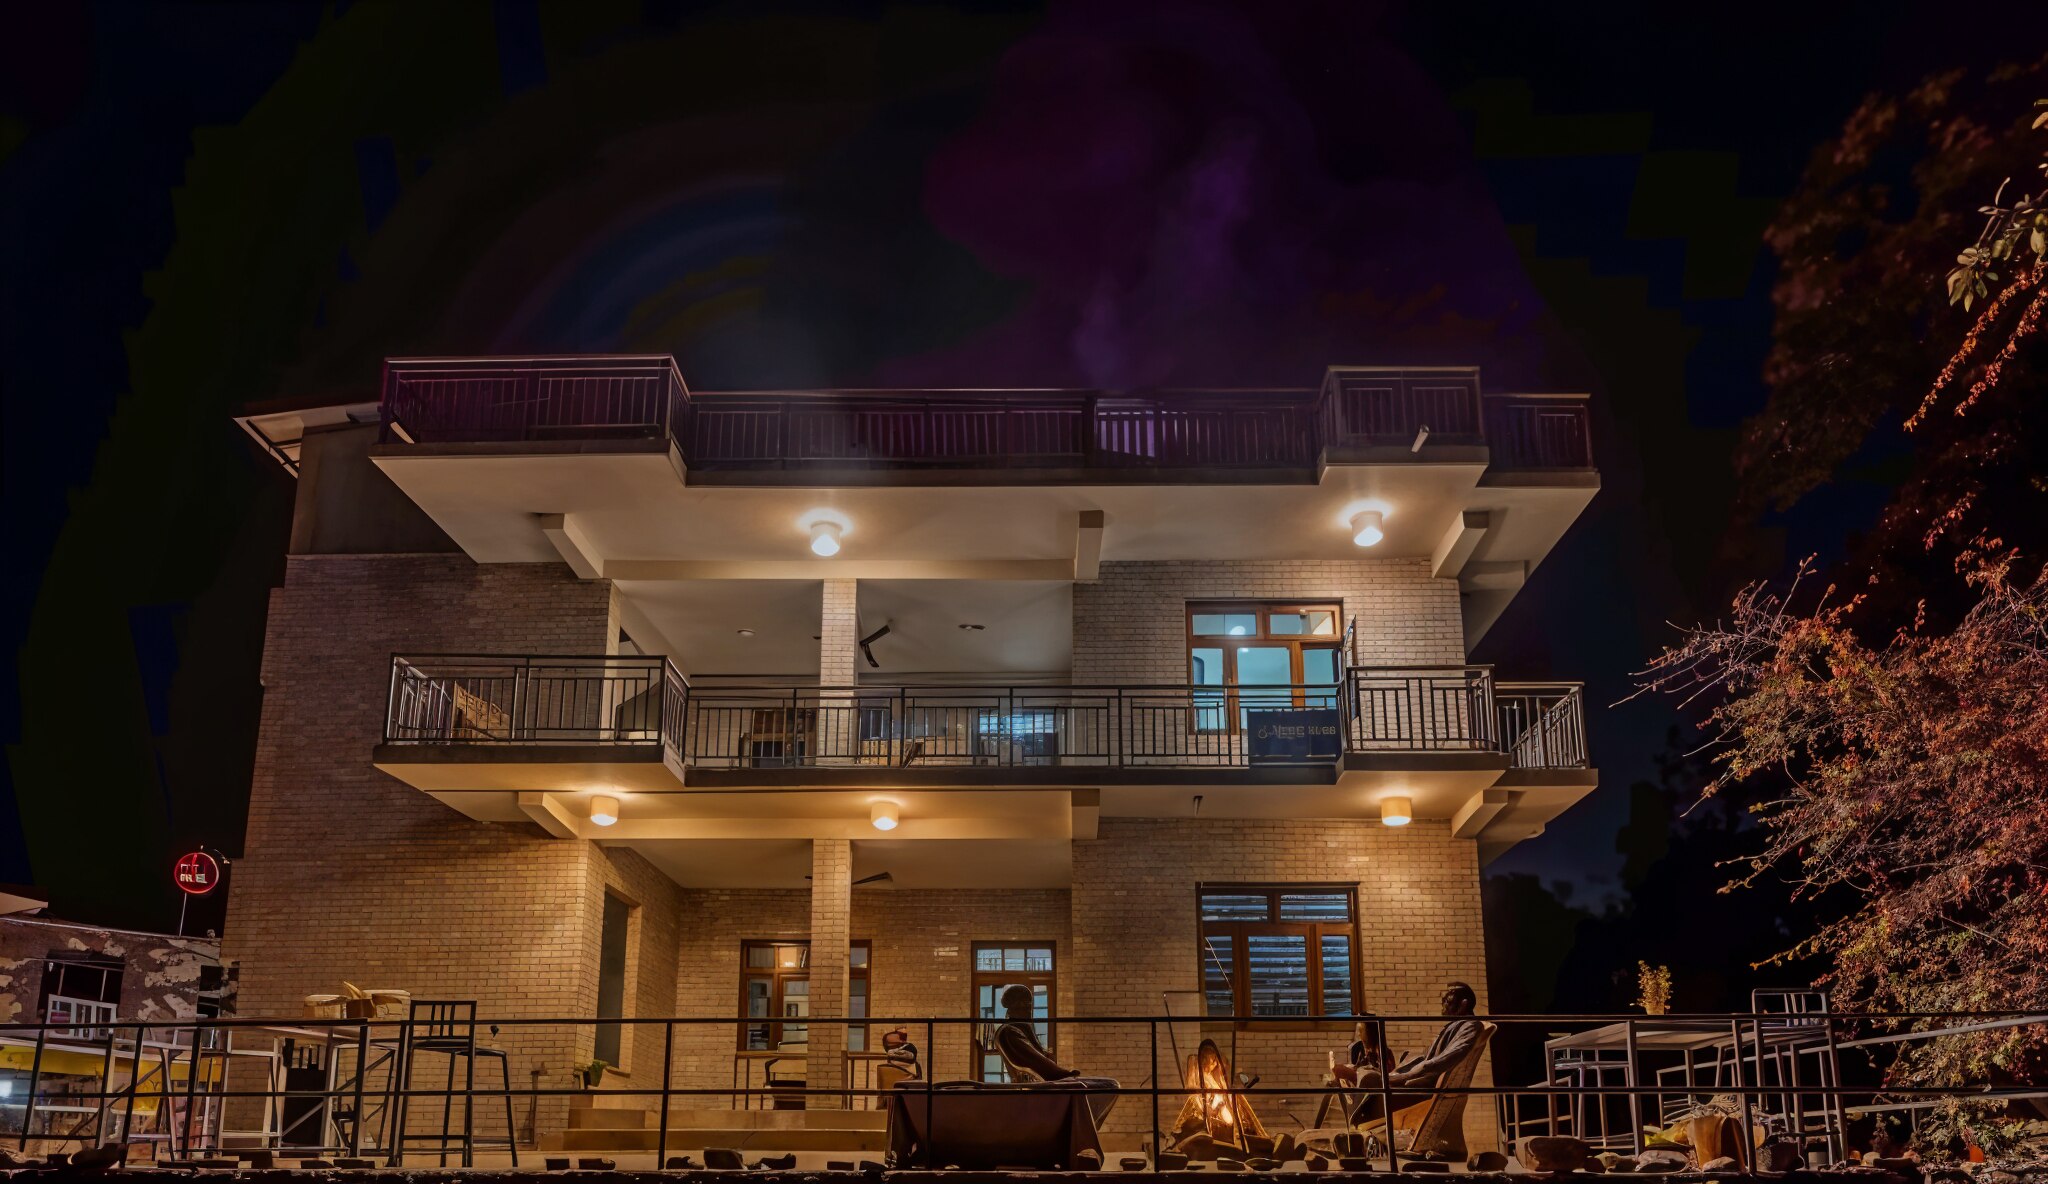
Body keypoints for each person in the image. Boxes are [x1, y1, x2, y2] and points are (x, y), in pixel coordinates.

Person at [1345, 982, 1482, 1125]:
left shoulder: (1470, 1026)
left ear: (1463, 1004)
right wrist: (1402, 1069)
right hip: (1419, 1080)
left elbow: (1445, 1059)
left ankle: (1356, 1121)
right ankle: (1356, 1120)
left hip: (1423, 1086)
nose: (1443, 1004)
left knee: (1368, 1078)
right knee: (1367, 1077)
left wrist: (1406, 1076)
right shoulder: (1456, 1026)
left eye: (1448, 1001)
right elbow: (1426, 1056)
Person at [990, 984, 1119, 1124]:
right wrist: (1065, 1075)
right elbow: (1037, 1062)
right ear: (1015, 1007)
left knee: (1108, 1085)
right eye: (1026, 1007)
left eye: (1029, 1006)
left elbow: (1038, 1057)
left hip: (1041, 1084)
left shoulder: (1017, 1030)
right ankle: (1081, 1124)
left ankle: (1083, 1124)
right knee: (1108, 1085)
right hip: (1038, 1087)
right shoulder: (1010, 1032)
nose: (1029, 1011)